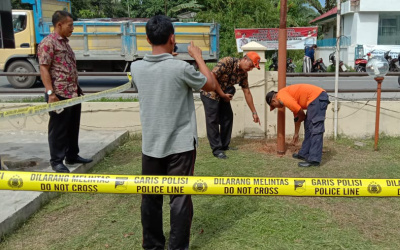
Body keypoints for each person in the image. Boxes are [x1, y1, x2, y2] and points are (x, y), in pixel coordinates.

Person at [130, 15, 215, 250]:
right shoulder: (181, 68)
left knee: (150, 198)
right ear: (172, 38)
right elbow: (210, 84)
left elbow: (158, 76)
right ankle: (177, 247)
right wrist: (197, 57)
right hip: (181, 146)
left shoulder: (136, 68)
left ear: (147, 39)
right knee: (179, 198)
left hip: (151, 145)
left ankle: (153, 245)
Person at [38, 10, 92, 173]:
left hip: (72, 93)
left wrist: (77, 88)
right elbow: (44, 69)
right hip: (58, 94)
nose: (73, 28)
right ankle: (57, 161)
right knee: (58, 129)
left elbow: (68, 68)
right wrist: (50, 94)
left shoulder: (64, 43)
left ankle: (72, 155)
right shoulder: (48, 43)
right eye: (70, 25)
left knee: (72, 126)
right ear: (59, 25)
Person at [201, 52, 261, 159]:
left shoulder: (243, 74)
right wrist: (222, 94)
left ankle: (224, 145)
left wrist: (254, 112)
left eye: (253, 68)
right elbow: (212, 76)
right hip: (210, 93)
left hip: (223, 95)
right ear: (245, 59)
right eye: (251, 65)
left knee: (228, 117)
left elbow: (247, 92)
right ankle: (217, 150)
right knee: (213, 121)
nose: (251, 69)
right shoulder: (227, 61)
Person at [266, 84, 330, 167]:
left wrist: (302, 117)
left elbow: (300, 112)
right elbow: (297, 116)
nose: (278, 107)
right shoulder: (286, 95)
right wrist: (296, 134)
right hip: (315, 99)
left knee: (315, 128)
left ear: (273, 101)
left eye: (275, 106)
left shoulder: (281, 97)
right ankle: (304, 153)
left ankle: (314, 159)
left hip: (317, 98)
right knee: (308, 127)